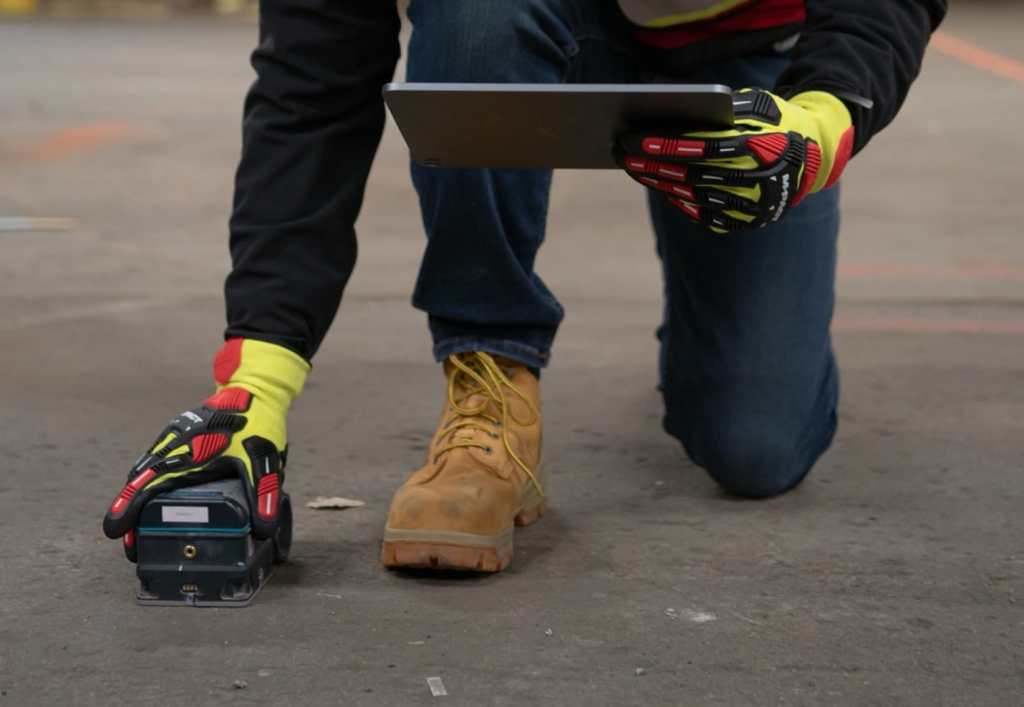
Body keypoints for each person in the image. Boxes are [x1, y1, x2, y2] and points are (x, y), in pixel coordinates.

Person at [103, 0, 947, 573]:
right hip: (535, 18)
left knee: (756, 442)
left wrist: (820, 122)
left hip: (753, 56)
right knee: (474, 19)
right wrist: (257, 380)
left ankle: (710, 285)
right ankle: (489, 379)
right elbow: (312, 85)